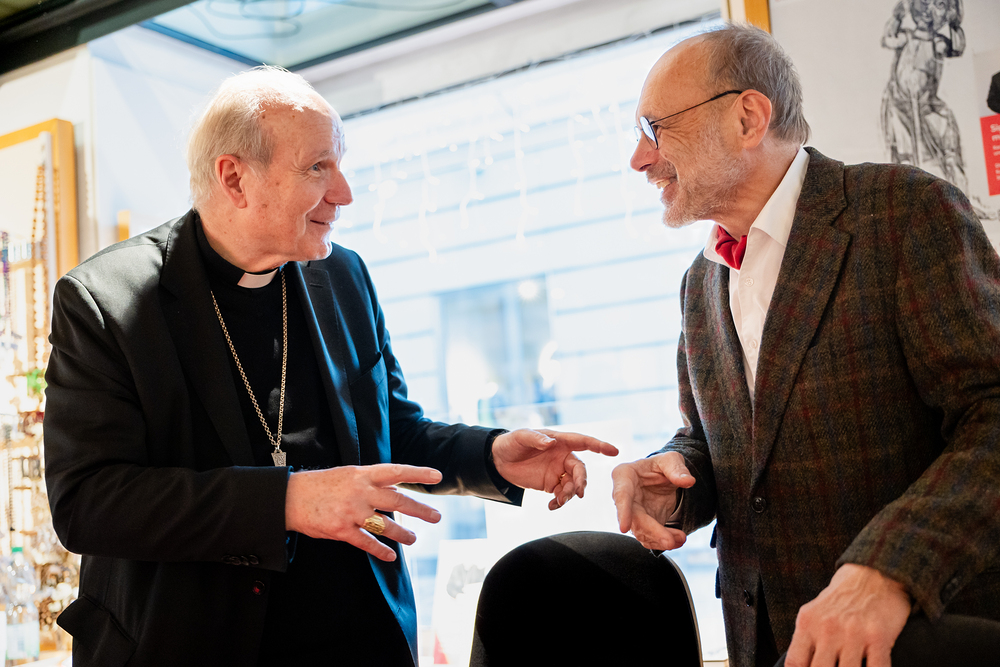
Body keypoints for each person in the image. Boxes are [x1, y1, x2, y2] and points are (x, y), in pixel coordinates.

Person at [43, 66, 617, 666]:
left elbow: (394, 433)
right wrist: (287, 501)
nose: (343, 193)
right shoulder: (107, 300)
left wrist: (491, 457)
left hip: (361, 641)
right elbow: (88, 502)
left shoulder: (342, 275)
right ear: (234, 178)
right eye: (318, 167)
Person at [611, 23, 1000, 667]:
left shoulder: (903, 212)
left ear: (747, 117)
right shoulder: (700, 282)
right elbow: (717, 443)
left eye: (656, 129)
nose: (639, 158)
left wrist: (889, 567)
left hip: (918, 639)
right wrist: (674, 481)